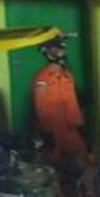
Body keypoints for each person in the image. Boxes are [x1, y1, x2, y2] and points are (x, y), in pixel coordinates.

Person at [32, 36, 89, 171]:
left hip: (70, 128)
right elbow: (40, 109)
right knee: (56, 168)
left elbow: (72, 103)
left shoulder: (67, 76)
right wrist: (46, 134)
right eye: (57, 48)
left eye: (62, 48)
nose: (62, 52)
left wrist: (81, 128)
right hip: (52, 130)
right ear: (47, 52)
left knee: (83, 161)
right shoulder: (42, 79)